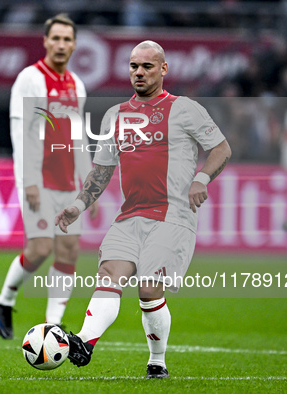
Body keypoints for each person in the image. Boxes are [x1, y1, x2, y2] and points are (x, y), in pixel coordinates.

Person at [55, 40, 232, 378]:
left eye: (147, 66)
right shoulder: (115, 115)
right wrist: (78, 205)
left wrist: (203, 178)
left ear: (163, 69)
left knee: (149, 288)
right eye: (134, 66)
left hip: (173, 216)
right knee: (108, 278)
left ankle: (157, 361)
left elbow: (221, 148)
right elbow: (102, 170)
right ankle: (84, 343)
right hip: (130, 216)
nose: (139, 72)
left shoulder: (185, 109)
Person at [0, 13, 99, 339]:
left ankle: (53, 326)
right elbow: (20, 130)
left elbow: (79, 137)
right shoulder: (31, 78)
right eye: (56, 38)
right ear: (45, 41)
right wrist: (29, 180)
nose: (62, 44)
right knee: (39, 249)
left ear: (75, 44)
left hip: (68, 182)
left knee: (68, 252)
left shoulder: (76, 84)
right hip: (39, 179)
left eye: (68, 39)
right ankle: (4, 301)